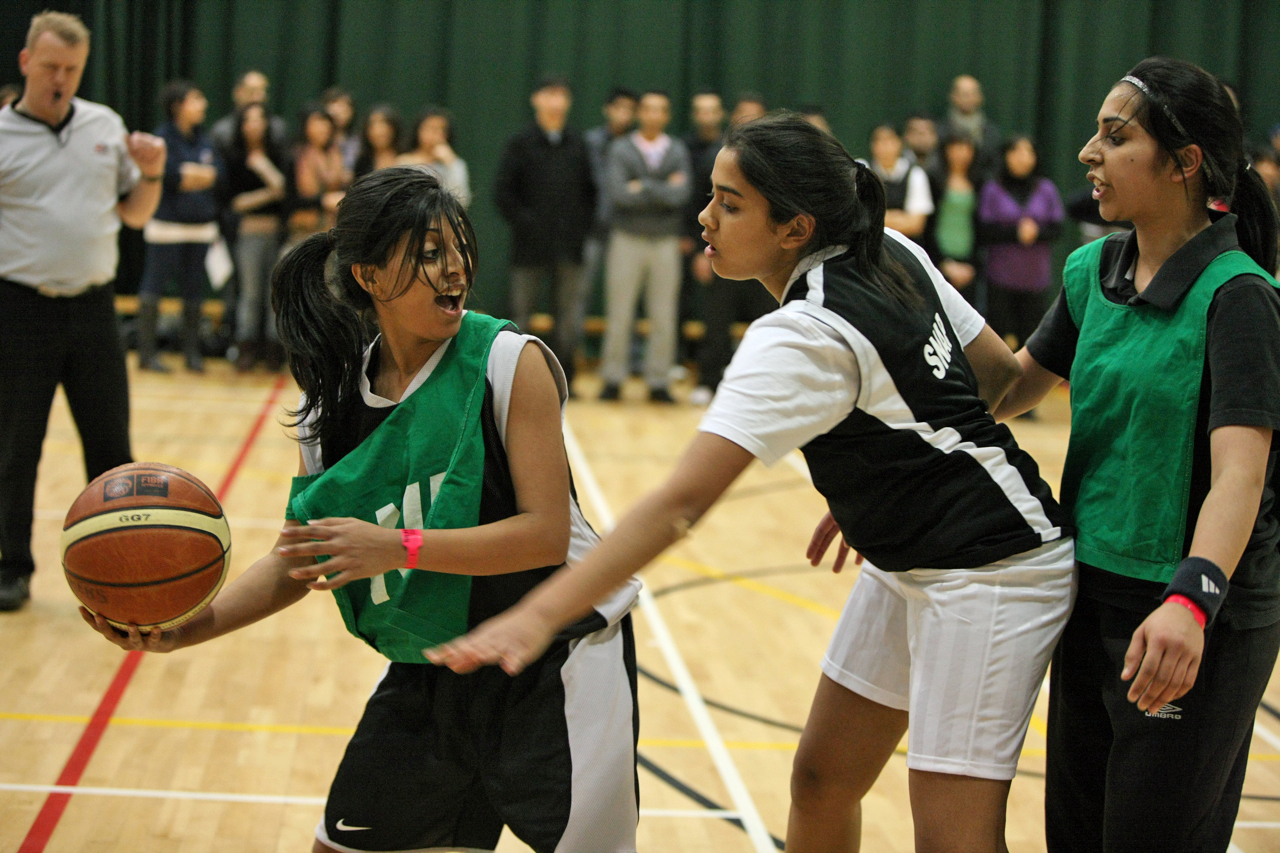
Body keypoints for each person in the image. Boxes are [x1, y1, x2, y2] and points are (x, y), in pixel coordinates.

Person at [428, 113, 1076, 853]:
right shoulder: (888, 246)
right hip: (913, 560)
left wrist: (538, 613)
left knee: (952, 839)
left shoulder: (805, 330)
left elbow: (680, 504)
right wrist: (887, 481)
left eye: (730, 204)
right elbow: (993, 385)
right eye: (711, 196)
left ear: (795, 228)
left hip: (992, 570)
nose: (705, 217)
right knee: (822, 779)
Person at [84, 166, 641, 853]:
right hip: (431, 665)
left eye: (458, 248)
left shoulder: (507, 361)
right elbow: (300, 558)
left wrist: (401, 547)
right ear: (371, 276)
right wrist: (185, 628)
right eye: (429, 253)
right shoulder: (332, 408)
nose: (455, 268)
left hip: (559, 661)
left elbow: (545, 534)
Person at [992, 57, 1280, 852]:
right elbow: (1017, 384)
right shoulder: (1093, 268)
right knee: (1076, 834)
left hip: (1194, 612)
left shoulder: (1239, 295)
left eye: (1115, 137)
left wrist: (1192, 602)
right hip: (1093, 594)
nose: (1088, 152)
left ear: (1185, 162)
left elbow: (1240, 474)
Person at [0, 10, 165, 611]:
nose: (60, 79)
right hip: (19, 310)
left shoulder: (104, 126)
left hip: (94, 309)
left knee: (110, 445)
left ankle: (119, 567)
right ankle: (10, 568)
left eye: (72, 69)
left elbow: (137, 214)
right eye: (50, 67)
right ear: (25, 63)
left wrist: (152, 173)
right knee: (16, 447)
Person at [494, 77, 595, 388]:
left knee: (568, 318)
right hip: (529, 246)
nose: (555, 102)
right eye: (549, 94)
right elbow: (503, 193)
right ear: (536, 100)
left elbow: (591, 192)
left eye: (561, 95)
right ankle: (515, 378)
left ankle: (564, 378)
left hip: (569, 245)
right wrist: (527, 223)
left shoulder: (578, 143)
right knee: (521, 314)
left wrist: (579, 228)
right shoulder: (520, 142)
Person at [598, 90, 691, 403]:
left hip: (665, 241)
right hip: (626, 239)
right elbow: (619, 195)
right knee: (619, 313)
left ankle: (659, 381)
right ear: (640, 114)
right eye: (648, 109)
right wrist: (663, 187)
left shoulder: (676, 149)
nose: (653, 115)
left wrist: (642, 186)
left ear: (666, 116)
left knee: (664, 315)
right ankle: (613, 379)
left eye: (660, 110)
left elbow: (682, 195)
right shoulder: (622, 148)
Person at [136, 80, 222, 373]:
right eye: (196, 99)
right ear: (177, 106)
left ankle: (192, 353)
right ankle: (146, 354)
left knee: (194, 291)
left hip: (200, 228)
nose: (203, 105)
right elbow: (173, 176)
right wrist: (196, 176)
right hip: (166, 227)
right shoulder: (162, 139)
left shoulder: (206, 139)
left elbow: (216, 175)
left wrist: (194, 176)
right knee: (154, 288)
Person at [976, 135, 1064, 351]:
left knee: (1032, 341)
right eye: (1016, 151)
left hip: (1035, 280)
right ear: (1006, 156)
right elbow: (984, 230)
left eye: (1028, 152)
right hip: (1000, 278)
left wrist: (1036, 232)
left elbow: (1058, 227)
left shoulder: (1046, 189)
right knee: (999, 340)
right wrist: (1016, 233)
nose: (1022, 158)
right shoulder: (992, 188)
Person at [220, 102, 287, 372]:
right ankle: (246, 347)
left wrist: (263, 167)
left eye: (260, 119)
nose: (255, 125)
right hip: (247, 233)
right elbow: (235, 203)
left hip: (276, 232)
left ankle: (273, 349)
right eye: (249, 120)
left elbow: (284, 189)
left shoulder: (277, 154)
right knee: (250, 294)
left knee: (275, 293)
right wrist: (269, 192)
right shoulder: (233, 157)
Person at [925, 132, 983, 309]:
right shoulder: (933, 180)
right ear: (946, 150)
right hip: (939, 261)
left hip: (969, 265)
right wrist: (944, 262)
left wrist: (972, 265)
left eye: (966, 147)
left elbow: (981, 227)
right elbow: (928, 226)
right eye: (955, 147)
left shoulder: (980, 182)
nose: (961, 152)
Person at [288, 104, 347, 245]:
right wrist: (322, 201)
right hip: (302, 232)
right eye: (317, 123)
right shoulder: (294, 156)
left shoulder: (336, 155)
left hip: (333, 232)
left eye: (326, 124)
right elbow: (289, 200)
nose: (323, 128)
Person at [867, 123, 934, 240]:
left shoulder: (916, 174)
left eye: (889, 140)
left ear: (900, 143)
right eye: (879, 141)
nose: (885, 146)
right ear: (872, 145)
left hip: (904, 250)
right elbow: (858, 219)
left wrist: (876, 217)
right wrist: (899, 217)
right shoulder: (862, 171)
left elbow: (916, 225)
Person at [397, 107, 470, 207]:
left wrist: (451, 163)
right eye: (431, 128)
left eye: (442, 129)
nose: (437, 134)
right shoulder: (404, 162)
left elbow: (462, 200)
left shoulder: (454, 163)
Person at [209, 69, 287, 153]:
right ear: (238, 93)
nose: (257, 98)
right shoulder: (222, 133)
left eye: (262, 92)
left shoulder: (277, 130)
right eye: (252, 91)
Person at [942, 75, 1002, 182]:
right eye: (964, 94)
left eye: (972, 94)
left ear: (980, 97)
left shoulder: (991, 132)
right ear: (953, 96)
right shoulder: (940, 129)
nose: (968, 98)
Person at [352, 103, 401, 179]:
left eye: (384, 125)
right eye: (372, 126)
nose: (379, 131)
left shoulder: (407, 157)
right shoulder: (362, 162)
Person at [322, 86, 359, 174]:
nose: (339, 111)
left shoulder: (357, 142)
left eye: (345, 106)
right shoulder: (313, 140)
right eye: (335, 104)